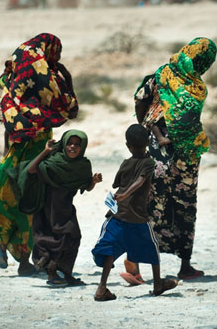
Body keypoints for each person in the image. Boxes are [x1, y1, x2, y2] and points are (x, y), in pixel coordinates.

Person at [0, 33, 78, 276]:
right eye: (55, 53)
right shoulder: (48, 88)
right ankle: (26, 261)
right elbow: (71, 109)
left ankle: (4, 244)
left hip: (13, 155)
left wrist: (6, 154)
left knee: (7, 198)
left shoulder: (12, 93)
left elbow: (9, 128)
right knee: (34, 202)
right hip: (38, 156)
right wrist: (66, 77)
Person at [125, 37, 217, 283]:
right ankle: (169, 265)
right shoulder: (189, 82)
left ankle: (142, 263)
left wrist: (147, 127)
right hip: (179, 151)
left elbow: (140, 100)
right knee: (179, 204)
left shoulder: (162, 75)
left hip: (167, 150)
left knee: (160, 204)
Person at [91, 124, 178, 301]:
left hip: (117, 215)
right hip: (138, 217)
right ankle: (157, 284)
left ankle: (102, 288)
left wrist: (122, 193)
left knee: (109, 249)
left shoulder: (125, 163)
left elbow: (117, 184)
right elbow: (140, 180)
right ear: (147, 142)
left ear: (127, 145)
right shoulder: (148, 162)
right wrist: (126, 194)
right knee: (152, 249)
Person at [17, 129, 102, 287]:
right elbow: (31, 170)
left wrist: (93, 182)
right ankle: (52, 274)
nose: (72, 147)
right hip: (47, 209)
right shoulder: (53, 161)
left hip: (65, 208)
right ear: (63, 144)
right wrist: (45, 152)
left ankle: (66, 274)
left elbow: (85, 186)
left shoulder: (83, 165)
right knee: (49, 239)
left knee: (73, 236)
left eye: (77, 144)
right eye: (69, 143)